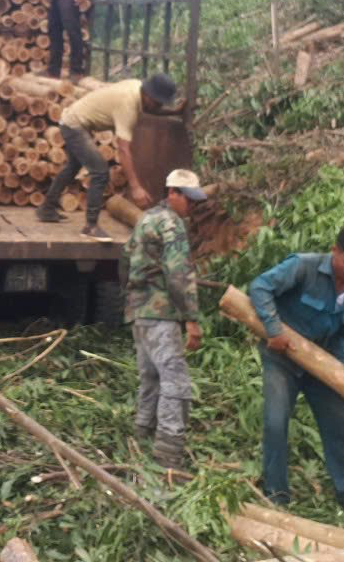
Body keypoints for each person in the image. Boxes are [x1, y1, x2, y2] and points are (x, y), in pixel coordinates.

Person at [247, 227, 344, 514]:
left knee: (339, 423)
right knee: (276, 421)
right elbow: (259, 287)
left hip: (320, 364)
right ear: (334, 251)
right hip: (282, 359)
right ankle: (276, 496)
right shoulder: (302, 267)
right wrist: (273, 328)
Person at [123, 169, 206, 469]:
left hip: (139, 312)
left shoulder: (146, 219)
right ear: (173, 193)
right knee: (175, 382)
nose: (192, 206)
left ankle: (142, 434)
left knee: (150, 378)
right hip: (161, 314)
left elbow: (126, 258)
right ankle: (169, 453)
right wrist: (191, 319)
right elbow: (178, 275)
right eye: (189, 199)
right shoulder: (172, 224)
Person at [37, 73, 177, 242]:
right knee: (100, 171)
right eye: (158, 102)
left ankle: (46, 209)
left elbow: (151, 109)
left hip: (74, 120)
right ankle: (90, 227)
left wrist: (174, 111)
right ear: (148, 95)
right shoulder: (128, 104)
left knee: (73, 167)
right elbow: (123, 150)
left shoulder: (137, 87)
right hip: (74, 125)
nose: (158, 106)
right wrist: (136, 187)